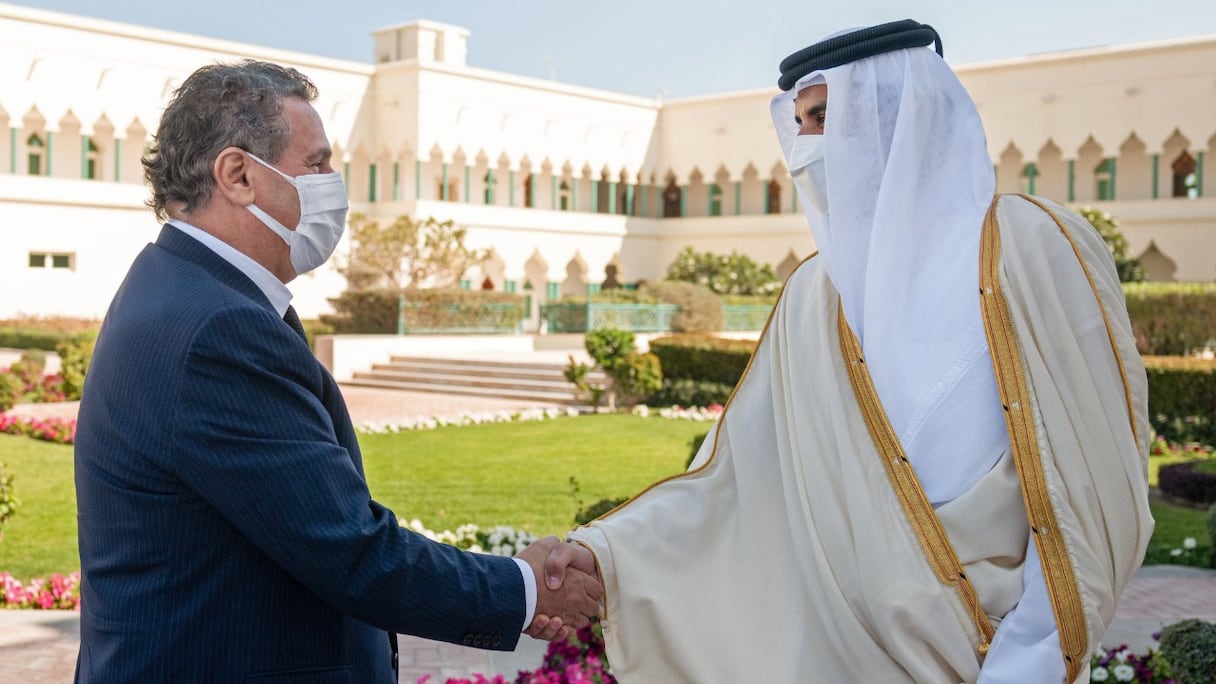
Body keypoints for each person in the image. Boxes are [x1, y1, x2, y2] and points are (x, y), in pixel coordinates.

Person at [548, 19, 1154, 683]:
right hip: (843, 653)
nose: (806, 145)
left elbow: (1094, 480)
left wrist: (1029, 663)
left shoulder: (1027, 247)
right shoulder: (814, 295)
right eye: (801, 124)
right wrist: (604, 556)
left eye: (824, 117)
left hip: (1001, 653)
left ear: (900, 115)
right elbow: (737, 480)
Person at [73, 60, 601, 683]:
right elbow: (349, 551)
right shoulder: (218, 326)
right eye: (317, 164)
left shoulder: (180, 286)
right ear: (238, 174)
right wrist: (526, 589)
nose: (333, 183)